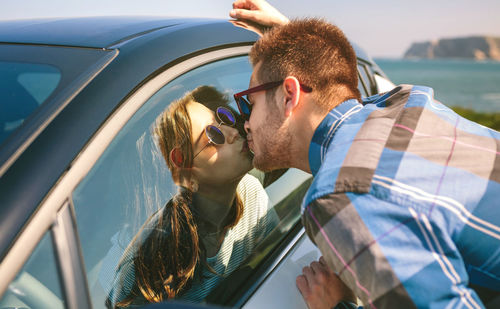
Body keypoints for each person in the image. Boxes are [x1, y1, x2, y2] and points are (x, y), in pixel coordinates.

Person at [230, 1, 500, 308]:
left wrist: (337, 306)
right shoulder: (407, 101)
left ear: (289, 95)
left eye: (248, 102)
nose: (245, 122)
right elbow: (336, 91)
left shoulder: (342, 196)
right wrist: (291, 41)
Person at [106, 86, 278, 308]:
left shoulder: (251, 193)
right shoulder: (139, 262)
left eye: (223, 118)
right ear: (185, 175)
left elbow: (280, 266)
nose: (233, 131)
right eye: (213, 136)